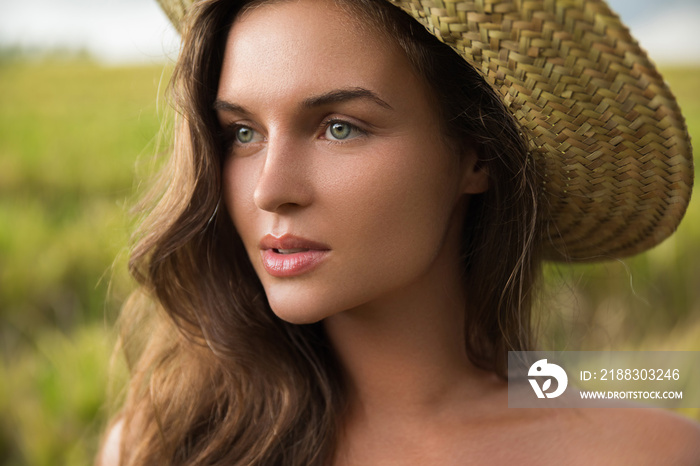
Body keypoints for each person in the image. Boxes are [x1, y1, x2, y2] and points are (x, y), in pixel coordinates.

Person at [99, 0, 700, 464]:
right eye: (242, 133)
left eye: (338, 128)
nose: (268, 189)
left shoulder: (649, 451)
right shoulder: (165, 445)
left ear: (477, 156)